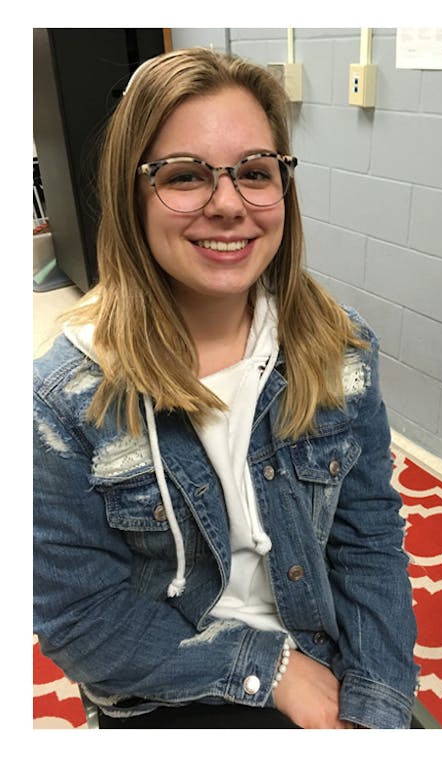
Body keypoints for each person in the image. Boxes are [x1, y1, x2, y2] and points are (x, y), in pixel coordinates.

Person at [32, 47, 418, 729]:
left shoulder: (340, 349)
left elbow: (370, 542)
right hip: (168, 679)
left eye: (254, 173)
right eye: (185, 176)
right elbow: (81, 617)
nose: (228, 205)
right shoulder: (63, 397)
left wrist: (376, 705)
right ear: (131, 193)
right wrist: (272, 670)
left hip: (324, 654)